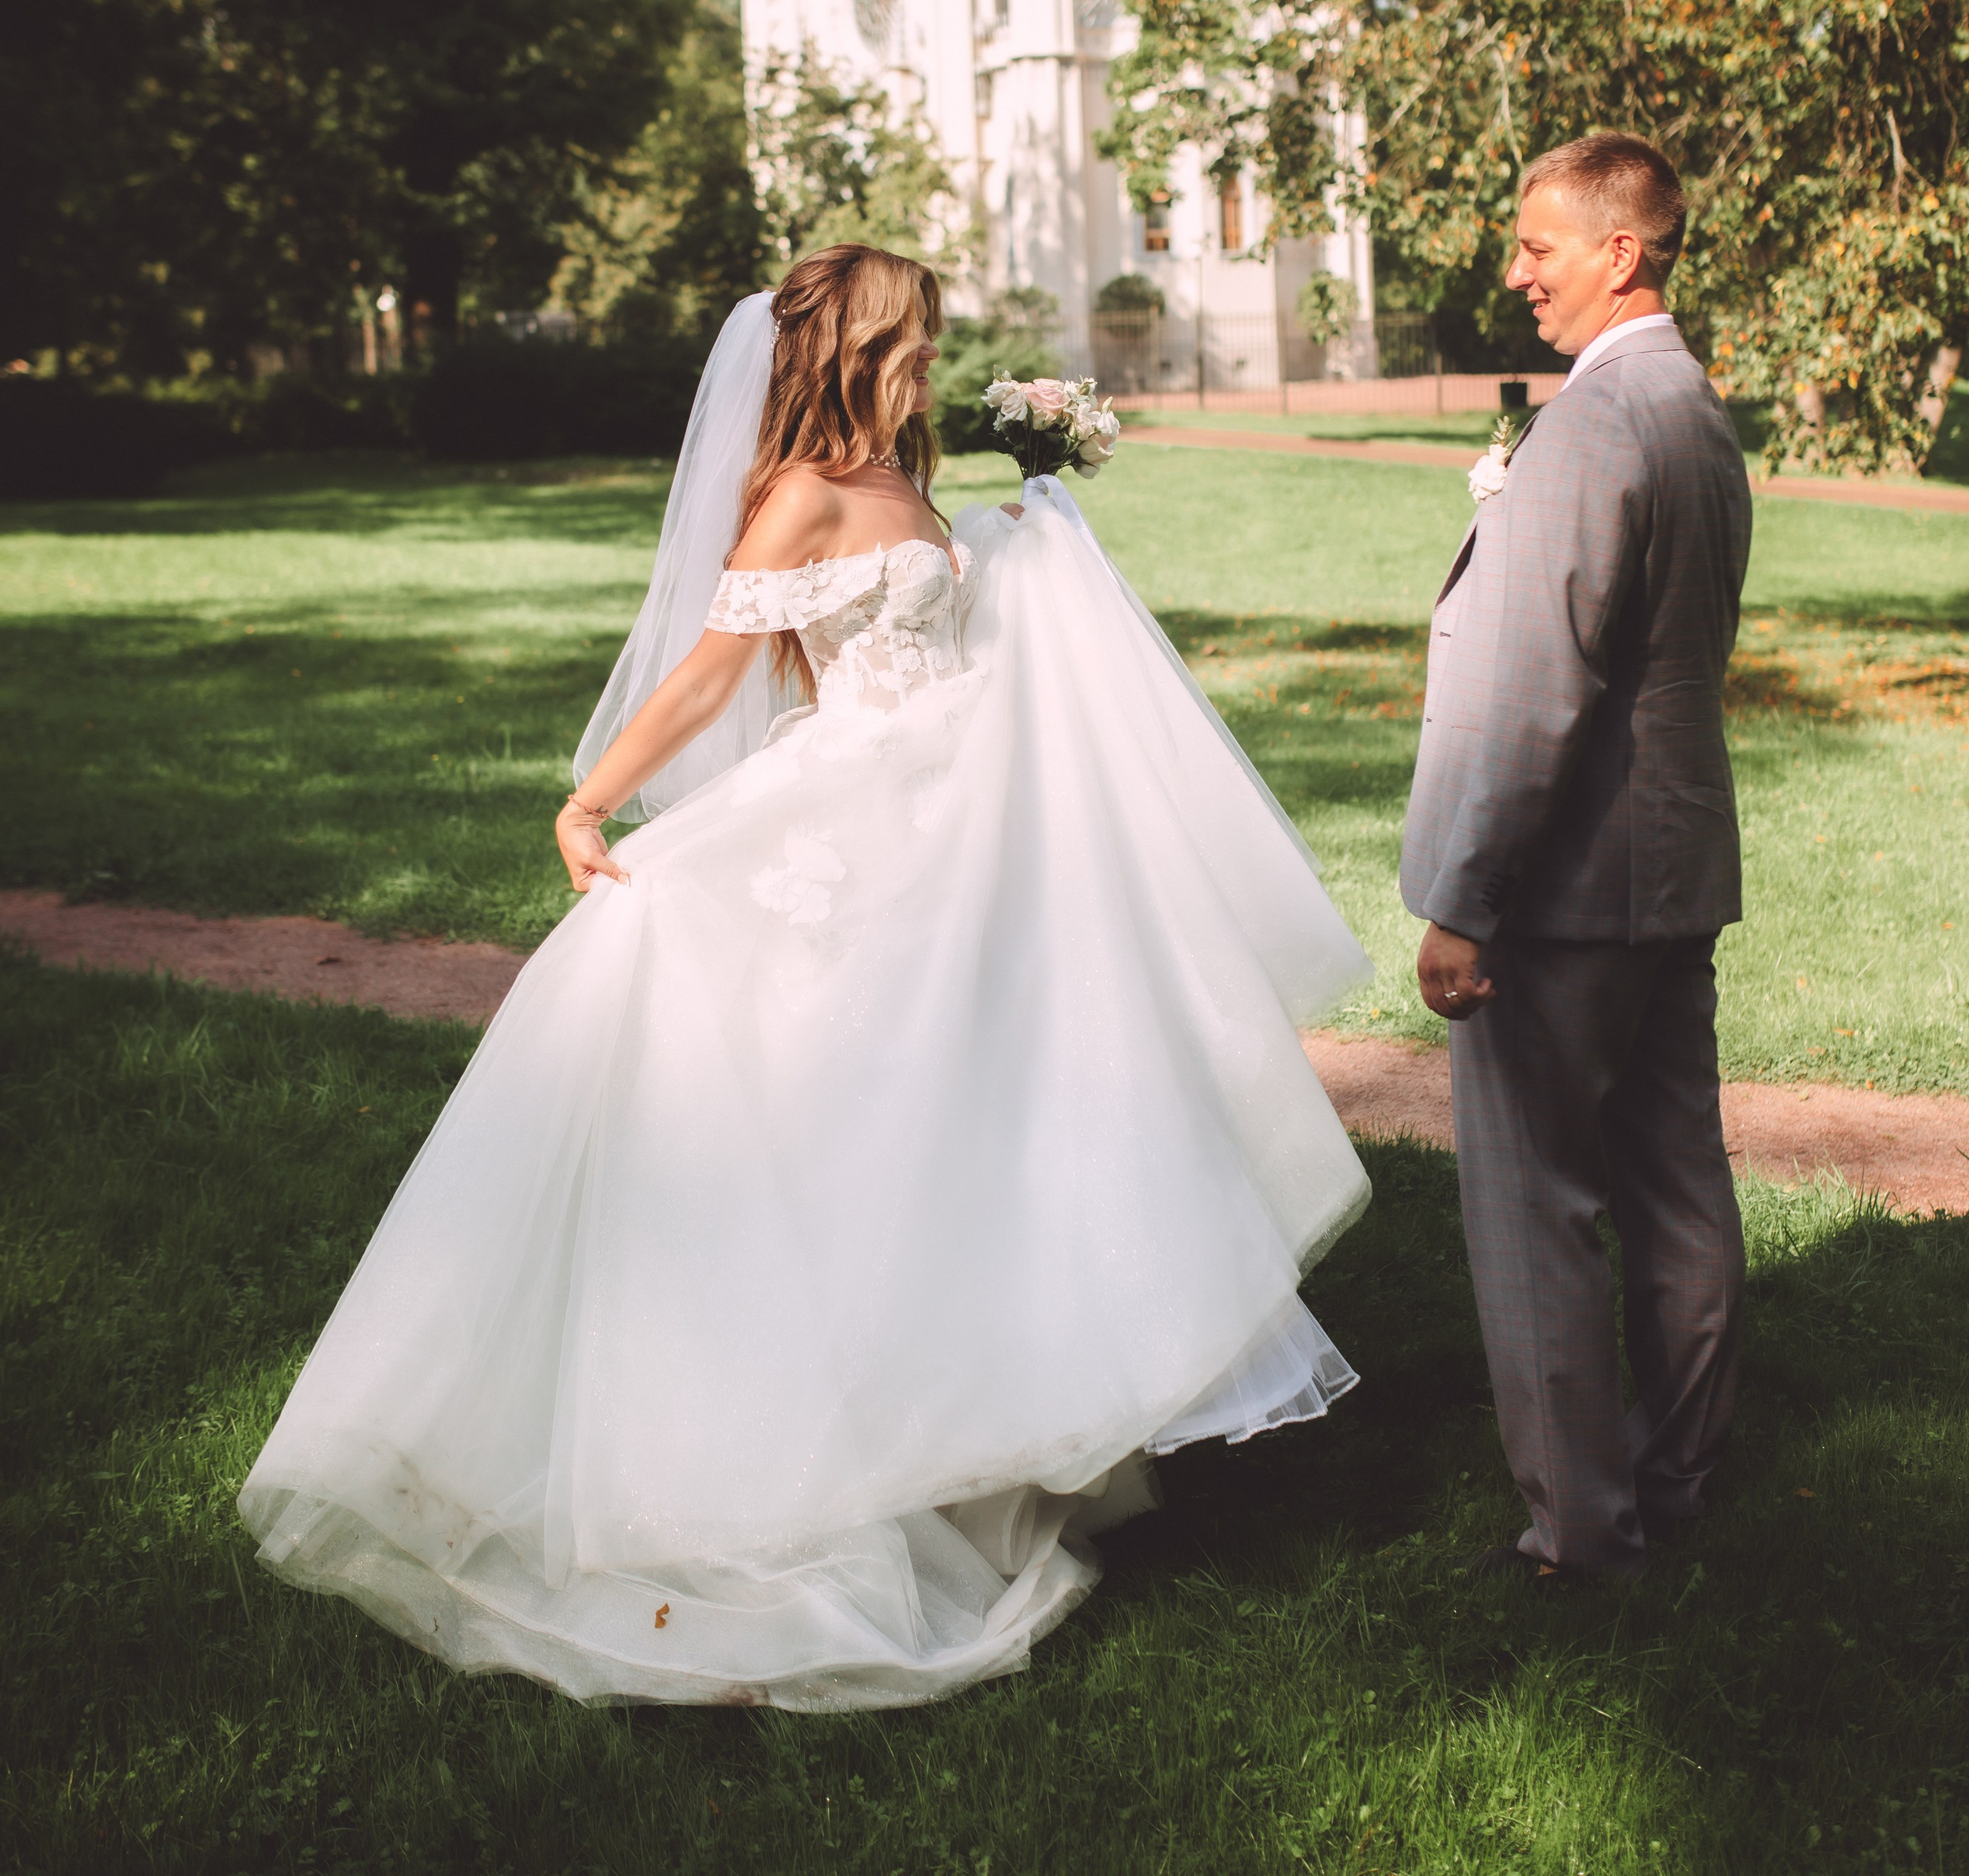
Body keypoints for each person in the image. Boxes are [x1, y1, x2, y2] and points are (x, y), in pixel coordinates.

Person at [240, 243, 1374, 1711]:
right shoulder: (801, 495)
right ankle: (819, 1461)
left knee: (983, 1118)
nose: (934, 360)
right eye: (915, 340)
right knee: (849, 1118)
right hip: (860, 830)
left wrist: (1029, 530)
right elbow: (714, 669)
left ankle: (983, 1423)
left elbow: (964, 633)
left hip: (967, 831)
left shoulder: (905, 478)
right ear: (856, 348)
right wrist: (591, 800)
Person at [1400, 133, 1752, 1585]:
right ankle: (1679, 1481)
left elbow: (1531, 690)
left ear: (1620, 251)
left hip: (1564, 890)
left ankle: (1580, 1536)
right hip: (1672, 865)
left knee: (1535, 1205)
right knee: (1678, 1188)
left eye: (1537, 245)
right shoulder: (1695, 405)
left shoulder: (1599, 420)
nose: (1516, 271)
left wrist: (1464, 901)